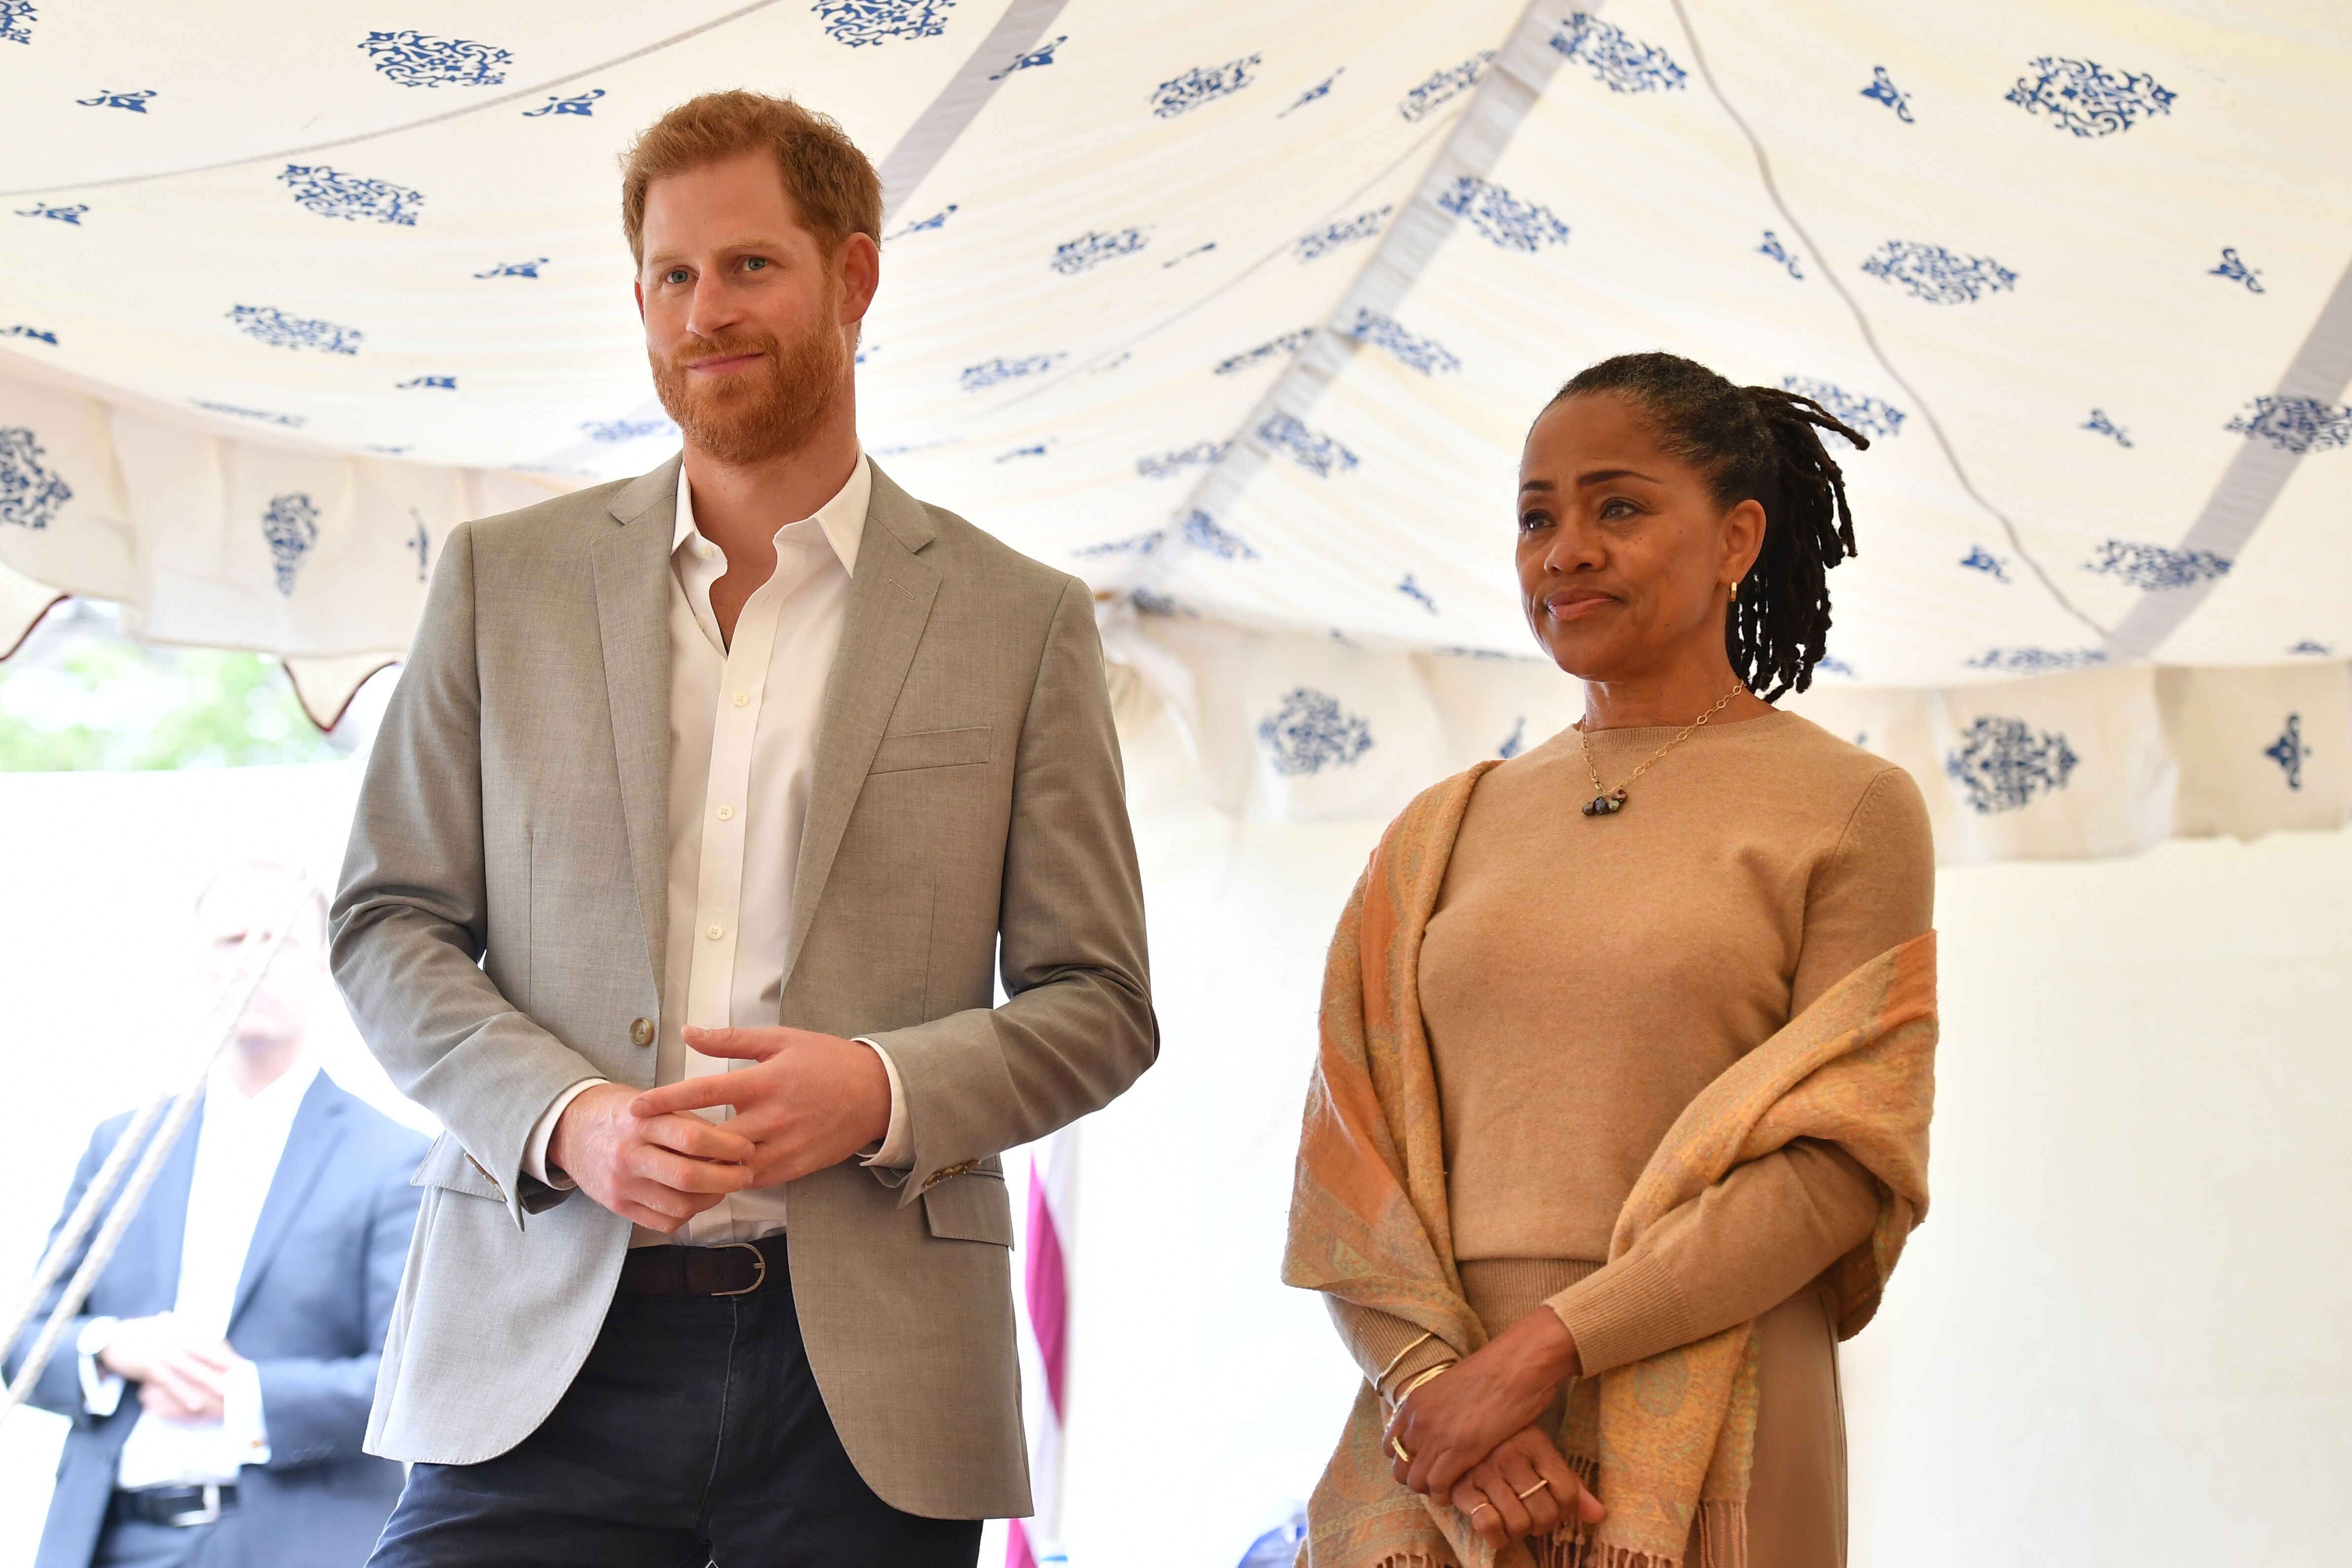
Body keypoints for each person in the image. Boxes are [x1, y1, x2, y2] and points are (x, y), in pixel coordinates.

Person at [330, 90, 1155, 1567]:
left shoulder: (1021, 622)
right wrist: (566, 1118)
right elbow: (386, 921)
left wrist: (883, 1088)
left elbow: (1100, 1002)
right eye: (671, 274)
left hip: (868, 1392)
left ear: (852, 276)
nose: (703, 309)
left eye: (749, 267)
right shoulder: (497, 582)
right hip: (534, 1351)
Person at [1283, 352, 1939, 1568]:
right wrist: (1443, 1385)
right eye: (1536, 516)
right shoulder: (1440, 829)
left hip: (1721, 1403)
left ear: (1737, 537)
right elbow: (1348, 1160)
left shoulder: (1850, 806)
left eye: (1618, 506)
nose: (1565, 548)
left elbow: (1846, 1158)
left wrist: (1535, 1356)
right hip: (1446, 1430)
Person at [8, 862, 429, 1568]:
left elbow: (410, 1376)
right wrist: (114, 1348)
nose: (254, 960)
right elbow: (25, 1342)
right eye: (232, 939)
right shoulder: (123, 1145)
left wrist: (244, 1396)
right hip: (108, 1541)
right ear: (196, 963)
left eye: (280, 940)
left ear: (328, 964)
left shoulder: (397, 1158)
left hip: (296, 1546)